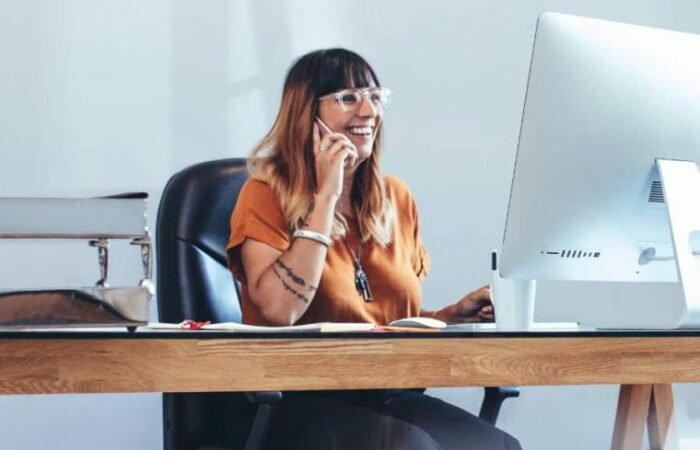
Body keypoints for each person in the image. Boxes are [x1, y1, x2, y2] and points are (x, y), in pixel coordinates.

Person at [226, 48, 521, 450]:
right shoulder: (265, 194)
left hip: (386, 391)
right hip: (296, 399)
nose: (368, 111)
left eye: (374, 97)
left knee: (494, 446)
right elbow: (280, 310)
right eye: (348, 97)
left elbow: (384, 322)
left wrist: (448, 317)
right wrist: (326, 197)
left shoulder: (395, 198)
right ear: (306, 115)